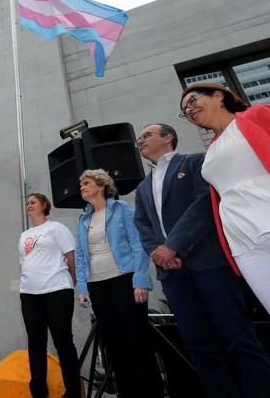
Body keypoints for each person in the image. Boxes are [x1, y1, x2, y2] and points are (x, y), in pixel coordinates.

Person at [134, 123, 270, 398]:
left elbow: (203, 205)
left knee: (238, 337)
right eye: (139, 138)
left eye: (146, 135)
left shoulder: (196, 162)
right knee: (199, 344)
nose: (140, 141)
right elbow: (142, 223)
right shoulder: (142, 187)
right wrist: (159, 253)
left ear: (168, 138)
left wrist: (173, 246)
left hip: (209, 265)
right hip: (173, 276)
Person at [179, 82, 270, 325]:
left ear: (218, 95)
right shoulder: (211, 149)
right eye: (185, 111)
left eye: (192, 101)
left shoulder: (255, 115)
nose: (190, 111)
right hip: (244, 243)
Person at [74, 170, 162, 398]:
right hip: (97, 285)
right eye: (80, 184)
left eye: (86, 183)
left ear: (101, 185)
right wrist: (82, 288)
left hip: (125, 279)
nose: (81, 187)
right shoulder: (83, 219)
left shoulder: (122, 210)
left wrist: (140, 279)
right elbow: (82, 257)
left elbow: (138, 244)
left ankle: (151, 392)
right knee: (114, 343)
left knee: (137, 339)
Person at [18, 193, 81, 398]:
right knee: (35, 343)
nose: (29, 205)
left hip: (57, 290)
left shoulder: (56, 228)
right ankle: (38, 392)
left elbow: (71, 256)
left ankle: (72, 392)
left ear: (45, 205)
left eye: (33, 202)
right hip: (29, 294)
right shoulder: (24, 234)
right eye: (27, 203)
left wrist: (71, 282)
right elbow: (24, 263)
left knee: (63, 341)